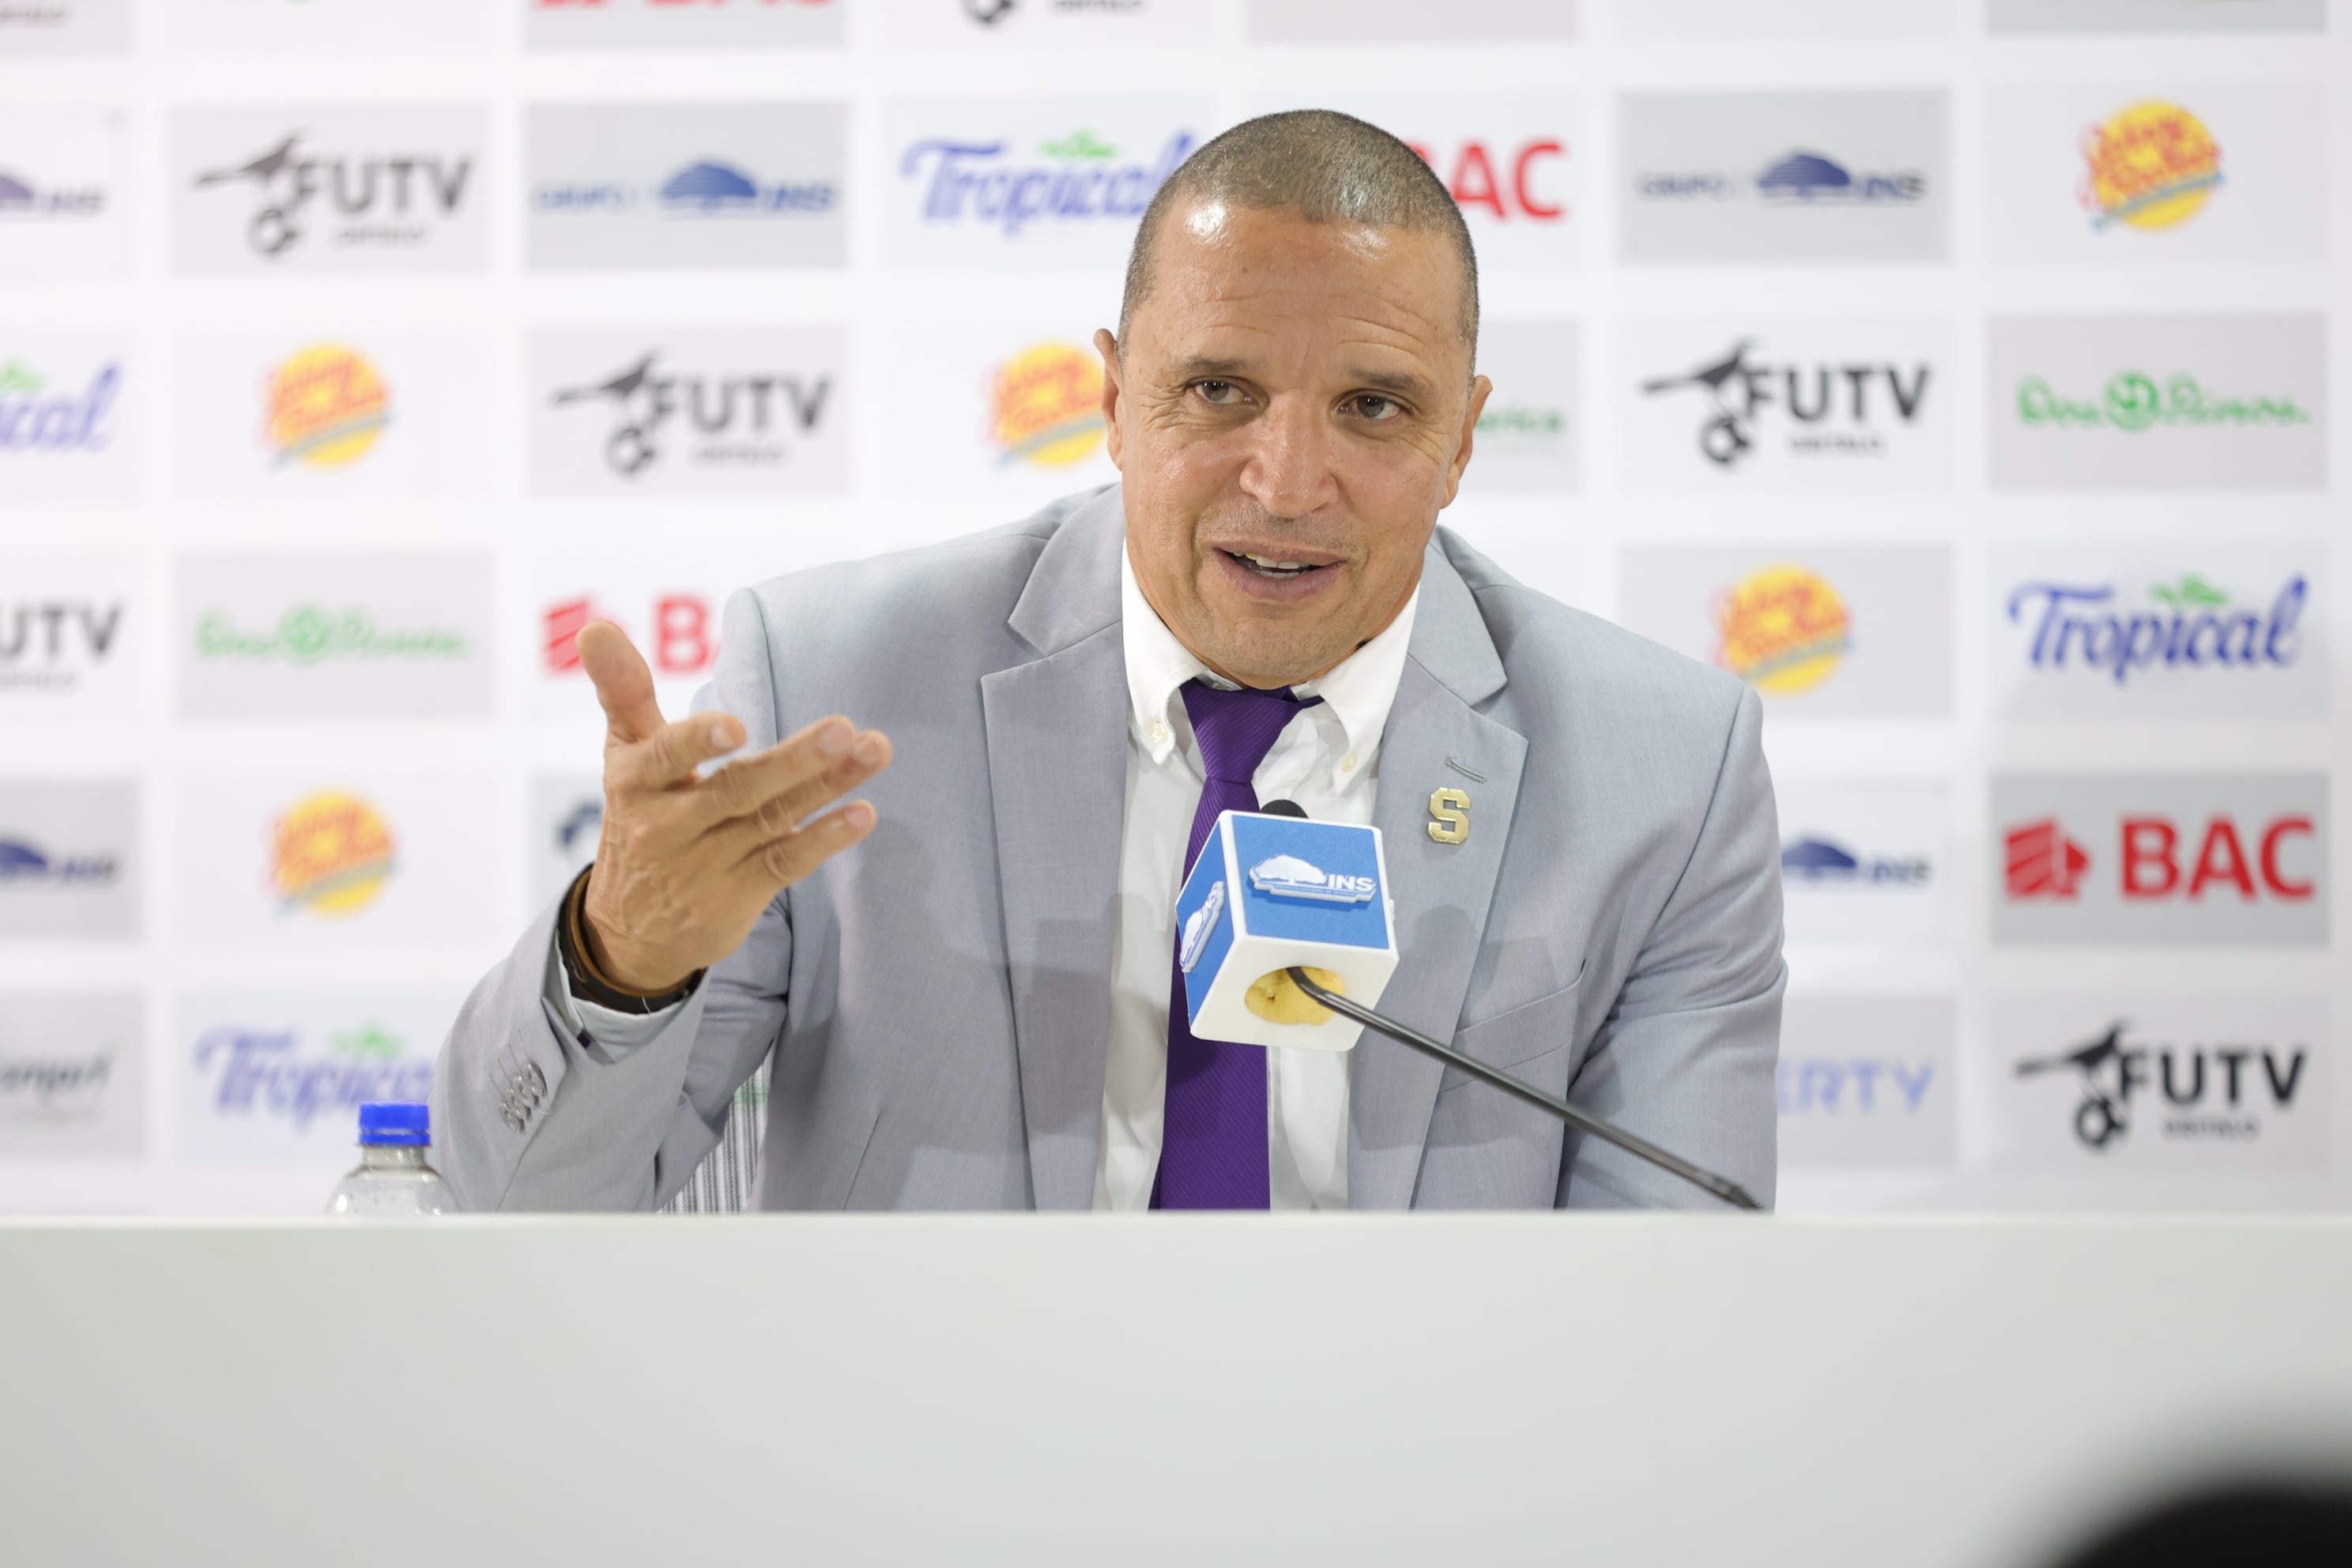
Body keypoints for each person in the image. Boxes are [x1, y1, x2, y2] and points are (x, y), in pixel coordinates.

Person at [431, 110, 1784, 1212]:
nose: (1289, 479)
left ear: (1464, 441)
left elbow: (1672, 1302)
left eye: (1373, 408)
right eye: (1220, 391)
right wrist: (621, 960)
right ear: (1112, 401)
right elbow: (509, 1216)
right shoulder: (834, 687)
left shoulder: (1660, 771)